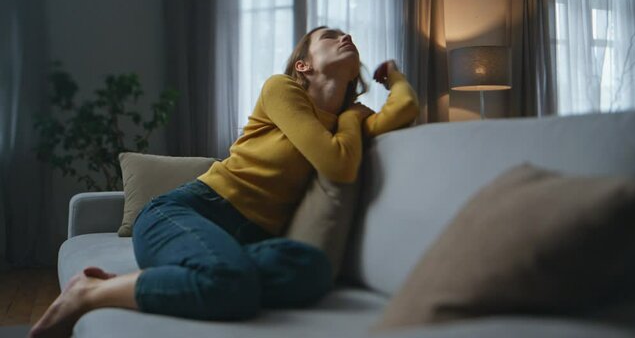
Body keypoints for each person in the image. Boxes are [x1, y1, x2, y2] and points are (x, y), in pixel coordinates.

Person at [29, 26, 419, 338]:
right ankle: (89, 293)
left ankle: (196, 274)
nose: (345, 38)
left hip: (243, 240)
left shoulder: (344, 126)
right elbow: (337, 165)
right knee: (231, 285)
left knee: (312, 269)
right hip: (185, 212)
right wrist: (353, 119)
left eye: (346, 35)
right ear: (303, 65)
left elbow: (405, 109)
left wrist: (395, 76)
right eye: (329, 37)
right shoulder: (281, 89)